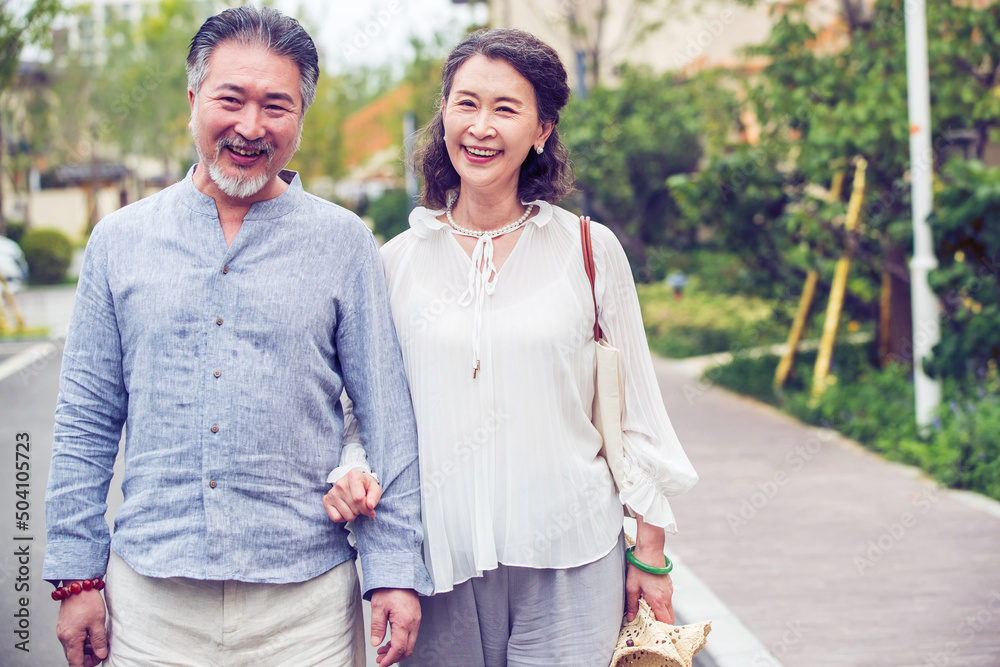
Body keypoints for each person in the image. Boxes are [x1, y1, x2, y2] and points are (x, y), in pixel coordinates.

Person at [43, 7, 431, 667]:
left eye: (276, 106)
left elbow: (386, 416)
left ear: (301, 118)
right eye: (231, 99)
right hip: (151, 605)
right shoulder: (119, 241)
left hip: (305, 611)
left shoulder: (344, 242)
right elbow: (85, 419)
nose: (251, 127)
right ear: (193, 100)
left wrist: (394, 569)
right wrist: (76, 577)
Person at [324, 28, 698, 667]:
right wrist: (352, 474)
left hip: (572, 558)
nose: (481, 127)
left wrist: (650, 552)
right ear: (443, 114)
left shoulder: (589, 250)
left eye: (506, 108)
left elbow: (638, 414)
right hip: (436, 564)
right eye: (466, 103)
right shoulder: (396, 262)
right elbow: (363, 413)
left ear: (542, 129)